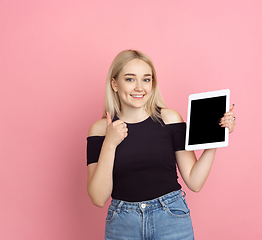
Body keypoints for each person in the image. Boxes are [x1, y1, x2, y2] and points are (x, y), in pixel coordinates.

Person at [86, 49, 236, 240]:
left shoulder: (170, 119)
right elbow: (98, 198)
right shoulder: (99, 130)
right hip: (123, 224)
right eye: (130, 79)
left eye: (146, 79)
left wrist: (216, 137)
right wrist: (110, 143)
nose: (140, 87)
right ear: (114, 84)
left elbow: (194, 181)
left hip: (170, 218)